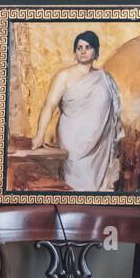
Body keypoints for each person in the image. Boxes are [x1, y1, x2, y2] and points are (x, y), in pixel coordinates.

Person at [30, 30, 123, 192]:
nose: (83, 51)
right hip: (72, 140)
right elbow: (50, 105)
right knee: (74, 185)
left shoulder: (105, 78)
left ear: (96, 51)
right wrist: (40, 134)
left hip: (100, 143)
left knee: (97, 187)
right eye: (79, 47)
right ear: (74, 51)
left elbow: (113, 113)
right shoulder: (64, 76)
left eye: (87, 47)